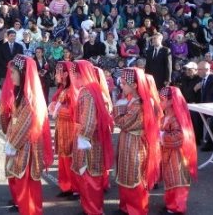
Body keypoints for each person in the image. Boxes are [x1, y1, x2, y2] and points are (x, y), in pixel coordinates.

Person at [0, 55, 53, 215]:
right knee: (23, 186)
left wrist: (12, 144)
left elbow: (26, 124)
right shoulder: (21, 94)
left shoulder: (29, 98)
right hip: (19, 146)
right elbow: (13, 121)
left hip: (26, 148)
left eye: (14, 72)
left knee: (27, 186)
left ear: (22, 73)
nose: (11, 76)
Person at [114, 67, 160, 215]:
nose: (122, 86)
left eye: (124, 83)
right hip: (128, 141)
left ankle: (137, 209)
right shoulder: (133, 100)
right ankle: (127, 206)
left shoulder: (139, 104)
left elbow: (122, 123)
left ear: (134, 85)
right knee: (126, 174)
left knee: (134, 175)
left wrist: (117, 108)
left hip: (134, 143)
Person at [70, 60, 114, 215]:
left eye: (75, 74)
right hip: (90, 140)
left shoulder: (87, 92)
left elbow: (89, 119)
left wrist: (83, 136)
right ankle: (90, 208)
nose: (73, 77)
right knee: (89, 176)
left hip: (89, 142)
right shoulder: (92, 90)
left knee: (90, 177)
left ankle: (93, 210)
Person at [159, 86, 198, 215]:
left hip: (178, 155)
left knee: (178, 181)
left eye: (162, 99)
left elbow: (179, 137)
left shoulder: (177, 118)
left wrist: (160, 135)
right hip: (168, 153)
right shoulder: (167, 116)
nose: (160, 102)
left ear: (171, 101)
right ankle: (171, 204)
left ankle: (178, 207)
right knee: (170, 179)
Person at [48, 61, 79, 198]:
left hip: (70, 129)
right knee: (62, 157)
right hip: (62, 127)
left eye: (58, 72)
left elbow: (75, 111)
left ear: (66, 74)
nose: (55, 75)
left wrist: (57, 110)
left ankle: (75, 187)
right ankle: (66, 185)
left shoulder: (72, 90)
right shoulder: (62, 89)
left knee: (70, 158)